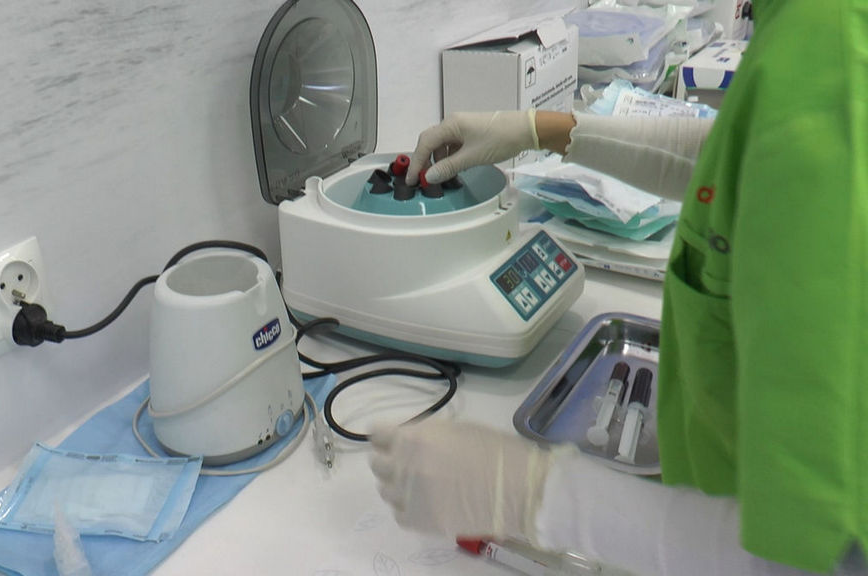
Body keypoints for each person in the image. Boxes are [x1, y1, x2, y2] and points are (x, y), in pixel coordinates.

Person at [369, 2, 868, 575]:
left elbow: (810, 563)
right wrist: (543, 131)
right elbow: (736, 157)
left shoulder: (829, 50)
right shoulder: (814, 36)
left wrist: (533, 497)